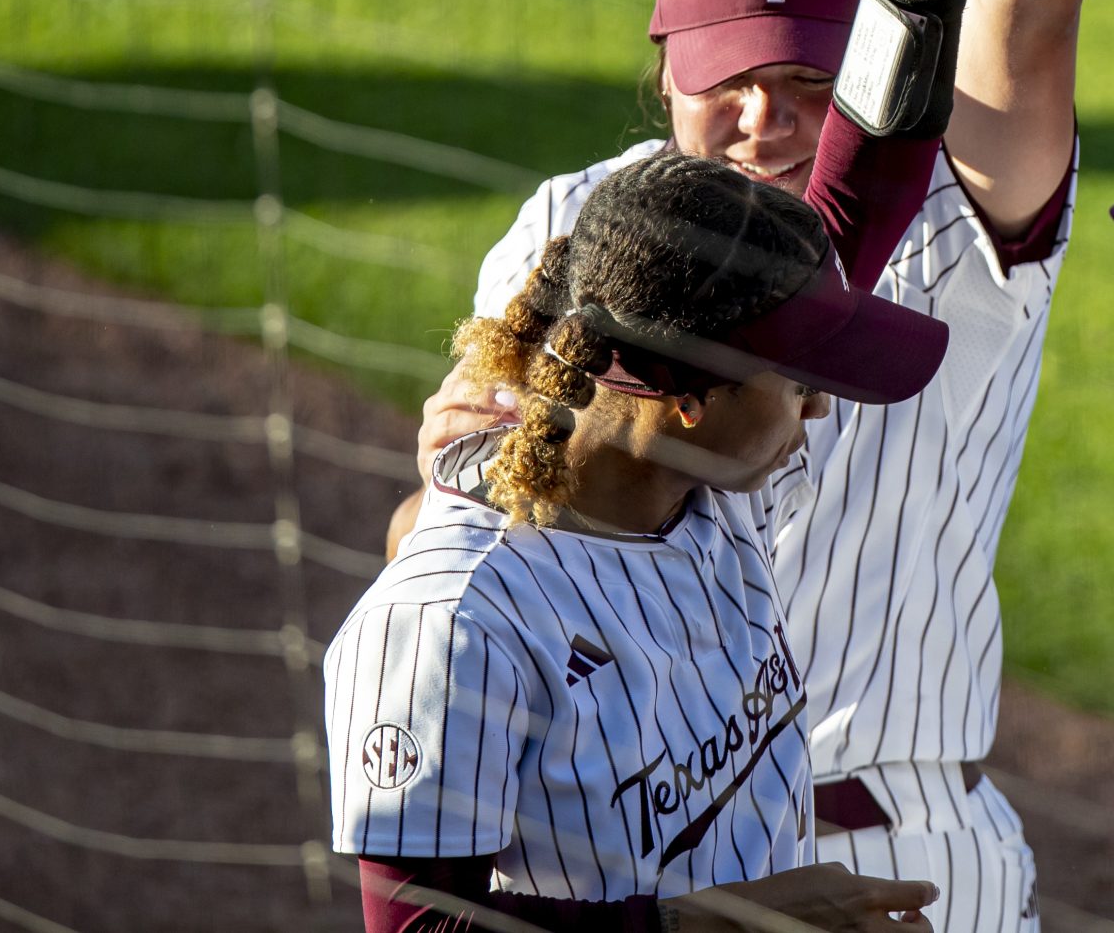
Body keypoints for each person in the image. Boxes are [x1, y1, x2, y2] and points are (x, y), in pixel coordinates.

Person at [408, 0, 1114, 933]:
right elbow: (454, 499)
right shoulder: (580, 221)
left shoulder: (951, 205)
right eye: (725, 74)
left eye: (806, 80)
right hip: (614, 843)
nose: (758, 119)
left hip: (897, 852)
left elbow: (1037, 12)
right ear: (664, 56)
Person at [328, 153, 953, 930]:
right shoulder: (452, 621)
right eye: (798, 382)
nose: (820, 410)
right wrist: (715, 924)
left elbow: (860, 194)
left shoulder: (710, 492)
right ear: (688, 400)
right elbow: (419, 927)